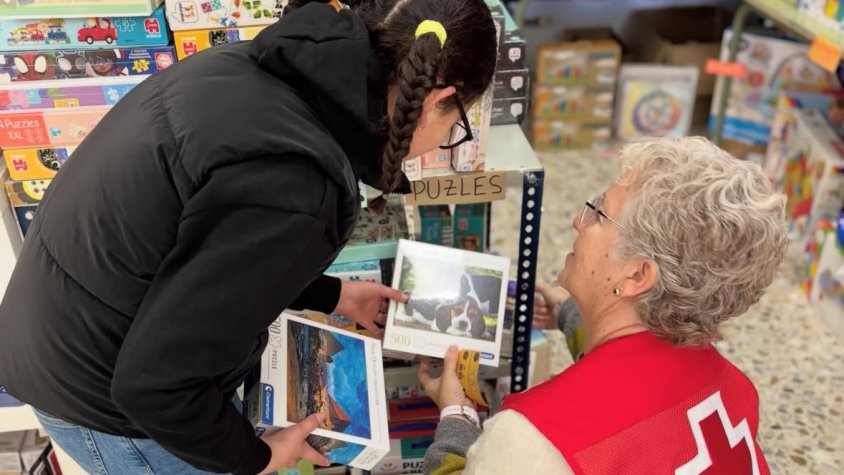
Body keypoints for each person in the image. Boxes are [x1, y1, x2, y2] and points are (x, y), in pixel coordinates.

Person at [0, 1, 497, 474]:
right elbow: (156, 390)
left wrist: (334, 293)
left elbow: (213, 249)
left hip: (63, 340)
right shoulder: (299, 180)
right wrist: (256, 457)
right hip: (109, 408)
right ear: (435, 101)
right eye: (457, 124)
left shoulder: (269, 67)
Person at [419, 137, 786, 474]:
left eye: (599, 213)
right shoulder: (736, 390)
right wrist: (576, 314)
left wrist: (458, 419)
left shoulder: (532, 438)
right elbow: (633, 386)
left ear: (637, 275)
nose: (578, 221)